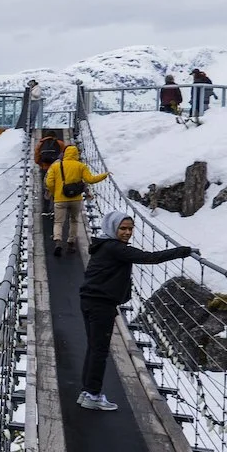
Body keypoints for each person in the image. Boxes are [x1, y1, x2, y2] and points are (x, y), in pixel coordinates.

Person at [76, 211, 192, 411]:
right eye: (123, 228)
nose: (128, 232)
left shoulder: (104, 244)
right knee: (100, 350)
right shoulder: (115, 248)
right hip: (101, 305)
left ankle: (88, 392)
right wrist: (182, 251)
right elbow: (150, 258)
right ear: (113, 228)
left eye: (130, 228)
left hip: (90, 301)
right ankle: (92, 395)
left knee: (94, 348)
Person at [46, 144, 107, 258]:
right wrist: (104, 175)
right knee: (74, 221)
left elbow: (49, 183)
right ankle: (71, 243)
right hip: (75, 199)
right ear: (76, 154)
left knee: (58, 222)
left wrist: (55, 192)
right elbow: (90, 180)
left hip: (60, 199)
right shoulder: (81, 166)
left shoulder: (56, 166)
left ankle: (58, 242)